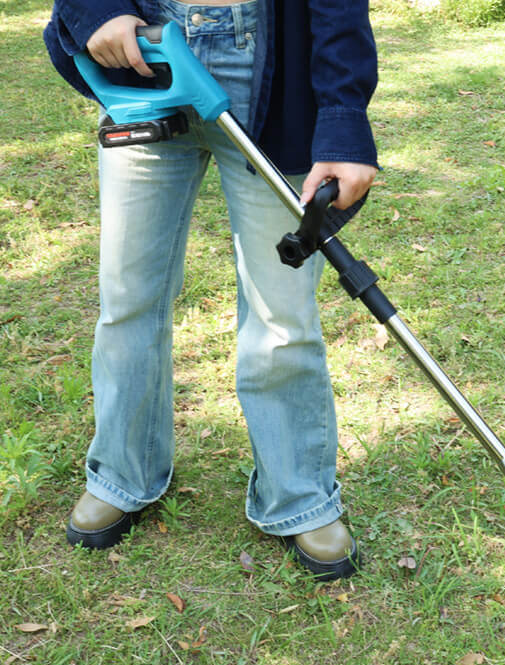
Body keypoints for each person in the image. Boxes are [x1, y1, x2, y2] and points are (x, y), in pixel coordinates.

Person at [43, 0, 379, 579]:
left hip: (271, 75)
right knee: (128, 298)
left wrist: (344, 118)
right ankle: (122, 474)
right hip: (144, 59)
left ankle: (299, 496)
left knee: (283, 314)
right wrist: (94, 9)